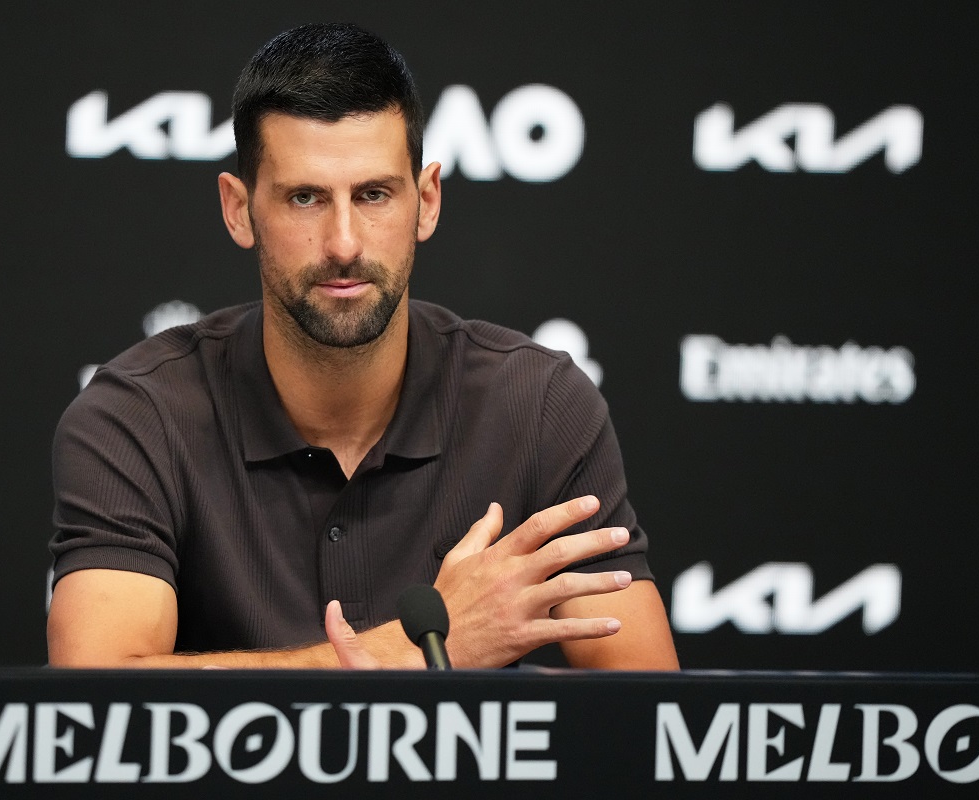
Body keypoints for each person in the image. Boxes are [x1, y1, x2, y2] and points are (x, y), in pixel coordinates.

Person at [47, 22, 678, 671]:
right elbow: (96, 700)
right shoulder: (138, 414)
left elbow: (649, 722)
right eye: (304, 198)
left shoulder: (539, 406)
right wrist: (422, 648)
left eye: (374, 194)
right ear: (238, 210)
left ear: (426, 201)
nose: (344, 242)